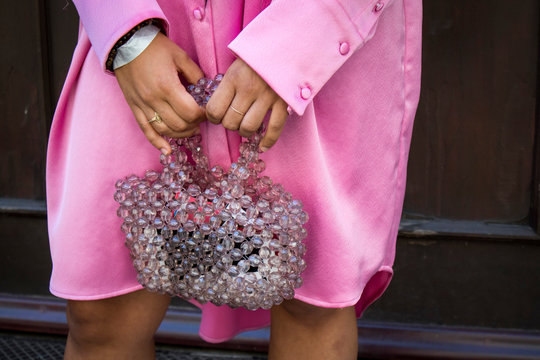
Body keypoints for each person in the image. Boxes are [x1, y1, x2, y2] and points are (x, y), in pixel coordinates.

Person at [46, 0, 422, 359]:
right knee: (101, 315)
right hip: (147, 39)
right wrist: (128, 37)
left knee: (313, 301)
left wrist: (294, 43)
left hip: (309, 26)